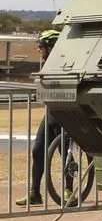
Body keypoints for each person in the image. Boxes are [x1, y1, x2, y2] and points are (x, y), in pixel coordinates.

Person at [16, 29, 74, 207]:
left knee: (65, 152)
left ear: (51, 47)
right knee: (38, 150)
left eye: (41, 47)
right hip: (51, 113)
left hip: (66, 113)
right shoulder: (46, 64)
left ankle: (69, 190)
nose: (38, 50)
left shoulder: (67, 62)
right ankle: (35, 193)